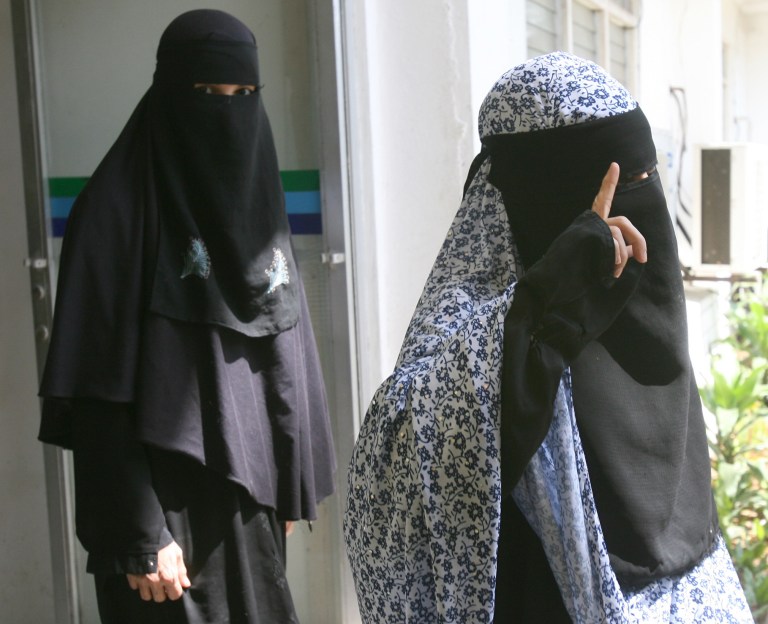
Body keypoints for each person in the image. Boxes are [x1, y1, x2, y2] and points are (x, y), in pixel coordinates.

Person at [343, 52, 752, 622]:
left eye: (644, 182)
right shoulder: (473, 331)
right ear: (536, 199)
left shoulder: (644, 332)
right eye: (613, 191)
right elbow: (389, 484)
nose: (636, 236)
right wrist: (540, 310)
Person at [38, 9, 336, 624]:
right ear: (169, 92)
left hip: (247, 510)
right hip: (162, 529)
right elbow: (96, 392)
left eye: (244, 95)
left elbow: (283, 354)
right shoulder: (116, 212)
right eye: (207, 93)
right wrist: (141, 536)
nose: (227, 113)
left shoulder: (258, 211)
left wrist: (286, 479)